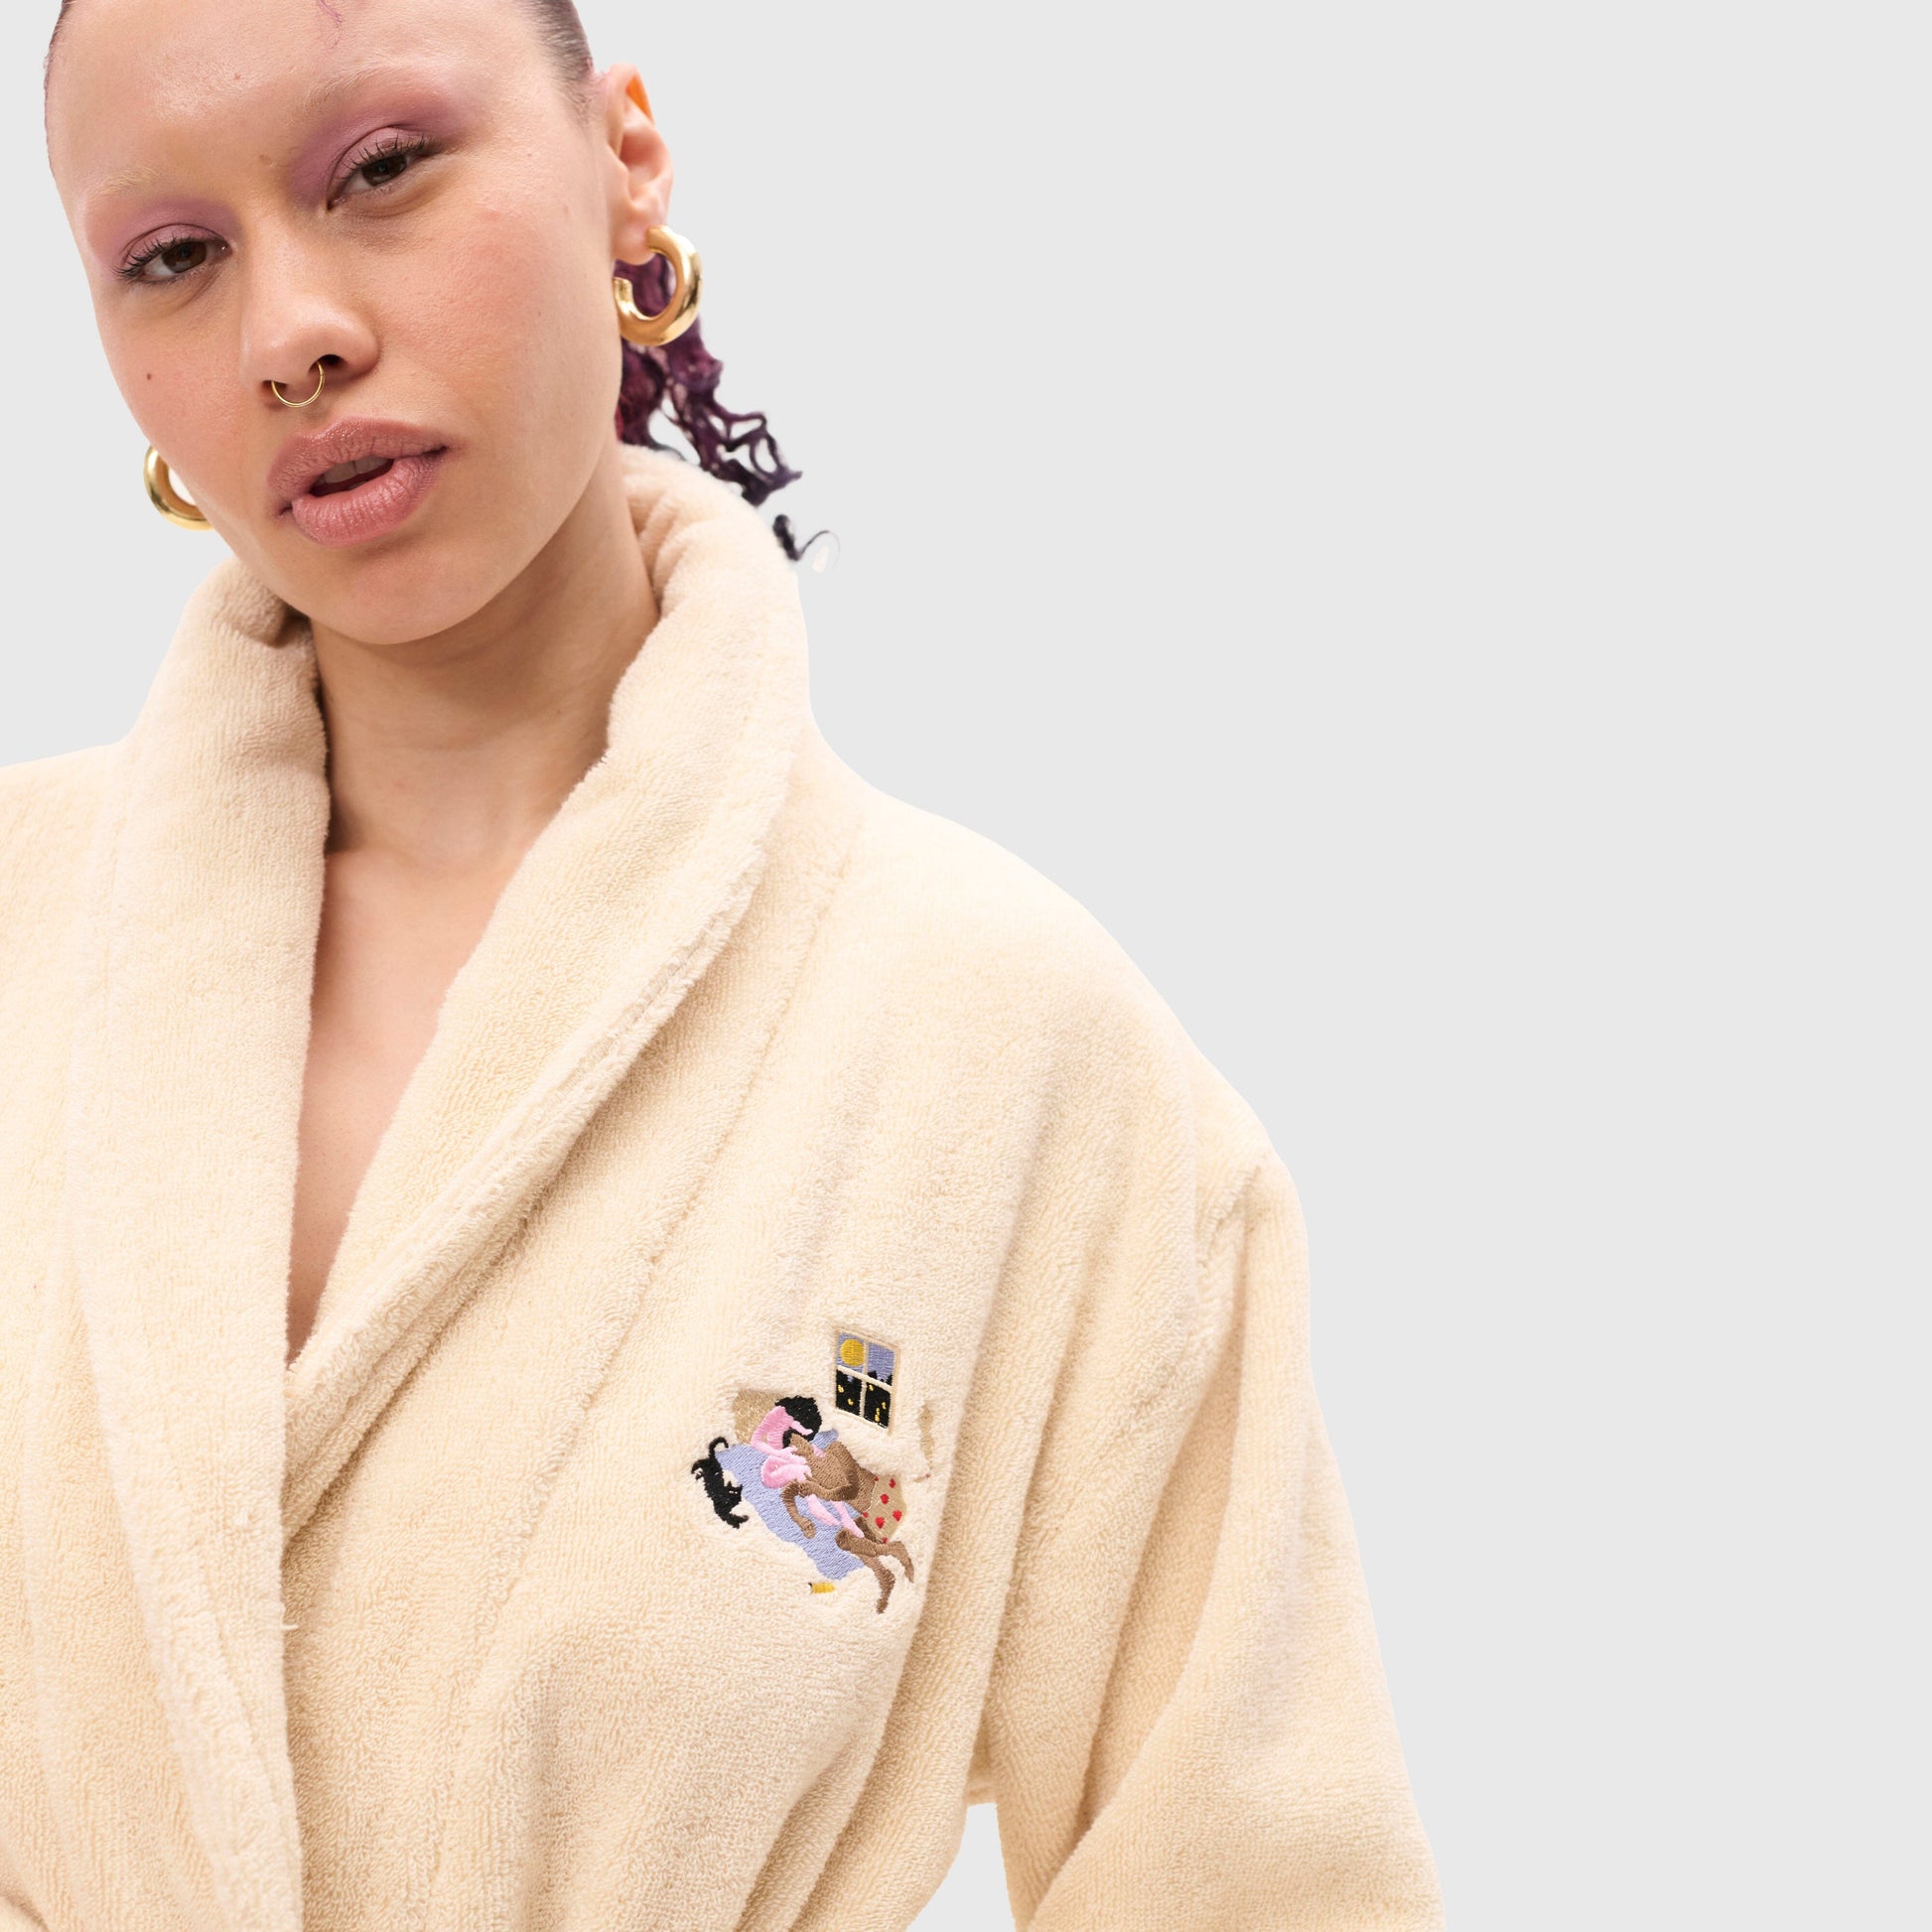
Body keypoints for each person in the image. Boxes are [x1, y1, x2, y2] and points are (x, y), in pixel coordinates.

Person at [0, 1, 1445, 1928]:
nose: (293, 333)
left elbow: (1254, 1882)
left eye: (383, 168)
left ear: (626, 161)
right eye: (175, 255)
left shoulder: (1015, 1050)